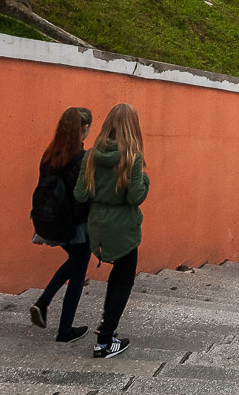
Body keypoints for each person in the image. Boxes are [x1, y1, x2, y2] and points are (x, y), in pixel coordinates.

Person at [75, 103, 149, 359]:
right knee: (123, 280)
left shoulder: (90, 155)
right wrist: (144, 179)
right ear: (132, 127)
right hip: (123, 227)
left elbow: (80, 194)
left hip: (98, 224)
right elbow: (136, 197)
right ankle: (105, 341)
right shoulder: (132, 158)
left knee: (116, 277)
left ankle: (106, 327)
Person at [29, 107, 93, 343]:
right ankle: (64, 329)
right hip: (75, 225)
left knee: (74, 263)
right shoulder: (81, 158)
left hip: (50, 221)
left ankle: (43, 303)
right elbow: (81, 197)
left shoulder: (49, 155)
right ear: (84, 128)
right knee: (77, 272)